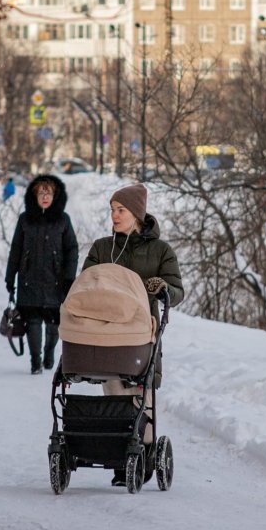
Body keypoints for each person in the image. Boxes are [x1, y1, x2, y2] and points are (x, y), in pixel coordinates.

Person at [82, 183, 184, 486]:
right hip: (107, 330)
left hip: (142, 331)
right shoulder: (103, 248)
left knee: (140, 392)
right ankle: (117, 456)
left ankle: (145, 451)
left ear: (136, 214)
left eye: (120, 210)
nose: (114, 215)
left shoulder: (161, 251)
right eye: (112, 210)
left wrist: (164, 289)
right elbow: (85, 281)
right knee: (114, 389)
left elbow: (177, 289)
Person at [5, 175, 78, 374]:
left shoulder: (63, 220)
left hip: (56, 281)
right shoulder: (25, 220)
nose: (45, 197)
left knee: (54, 324)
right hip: (30, 280)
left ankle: (49, 352)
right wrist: (10, 277)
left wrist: (69, 277)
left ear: (56, 196)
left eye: (49, 193)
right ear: (34, 196)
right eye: (41, 193)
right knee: (33, 322)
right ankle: (35, 361)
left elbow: (72, 249)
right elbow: (16, 249)